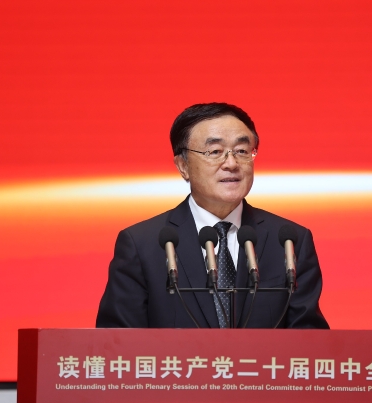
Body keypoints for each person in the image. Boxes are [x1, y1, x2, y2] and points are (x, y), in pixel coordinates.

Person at [96, 103, 329, 329]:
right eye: (215, 152)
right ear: (183, 166)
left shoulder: (289, 241)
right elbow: (117, 345)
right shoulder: (141, 245)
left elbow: (310, 343)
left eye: (242, 151)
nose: (231, 163)